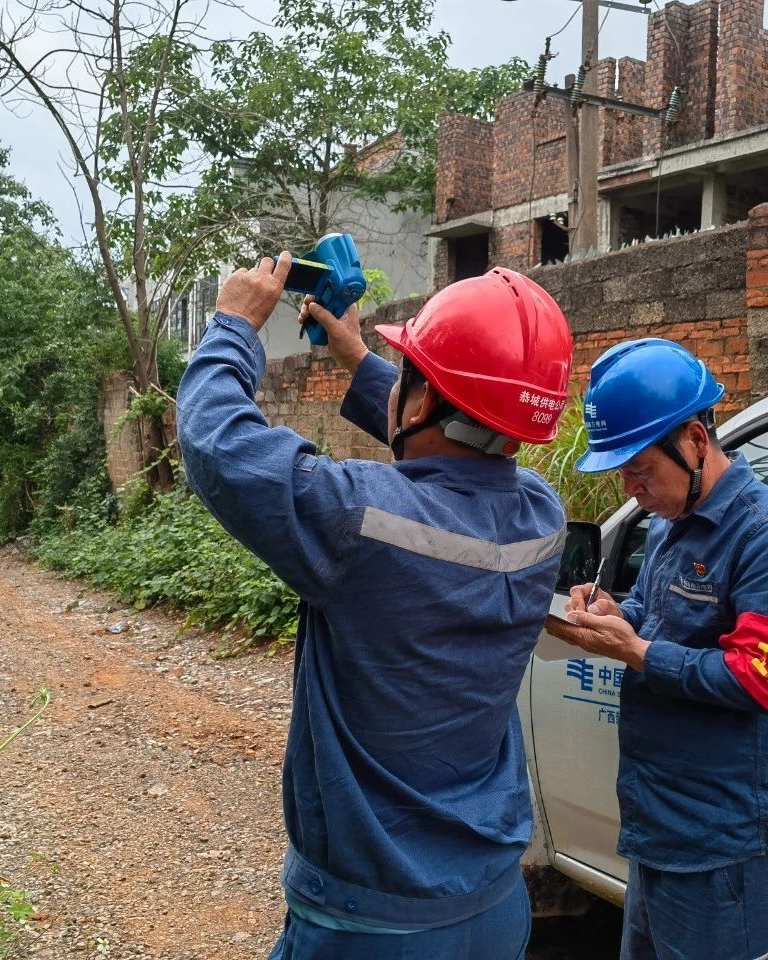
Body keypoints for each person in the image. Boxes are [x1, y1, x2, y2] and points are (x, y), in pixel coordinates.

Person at [175, 253, 574, 960]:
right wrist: (360, 357)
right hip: (492, 909)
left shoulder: (357, 520)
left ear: (418, 401)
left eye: (410, 376)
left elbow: (218, 443)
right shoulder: (542, 518)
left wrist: (234, 326)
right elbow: (458, 436)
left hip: (372, 930)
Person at [550, 338, 768, 960]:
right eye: (623, 474)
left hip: (723, 841)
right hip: (658, 825)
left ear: (697, 442)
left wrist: (640, 652)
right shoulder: (672, 522)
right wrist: (617, 617)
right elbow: (661, 621)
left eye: (641, 471)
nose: (633, 489)